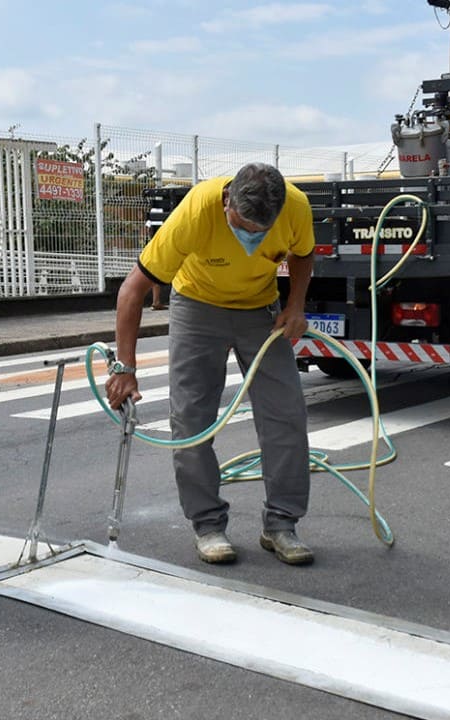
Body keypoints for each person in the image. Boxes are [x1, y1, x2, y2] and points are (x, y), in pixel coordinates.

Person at [106, 163, 316, 565]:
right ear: (225, 203)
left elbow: (304, 254)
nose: (251, 239)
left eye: (260, 233)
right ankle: (208, 525)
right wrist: (124, 367)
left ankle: (281, 525)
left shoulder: (295, 206)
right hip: (197, 306)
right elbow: (132, 291)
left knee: (286, 415)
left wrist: (295, 305)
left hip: (260, 308)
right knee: (191, 421)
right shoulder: (196, 210)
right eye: (242, 226)